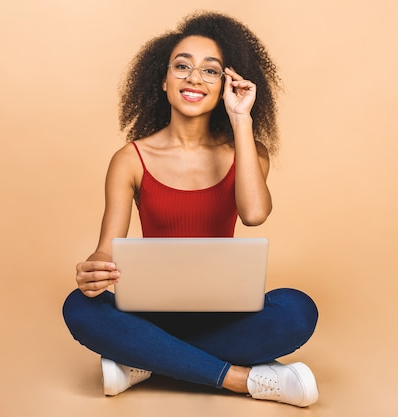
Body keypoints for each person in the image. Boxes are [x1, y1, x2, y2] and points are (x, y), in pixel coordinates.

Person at [62, 11, 319, 407]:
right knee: (80, 306)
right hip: (151, 315)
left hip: (224, 314)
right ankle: (242, 379)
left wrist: (241, 120)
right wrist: (94, 268)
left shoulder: (247, 152)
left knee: (298, 310)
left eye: (210, 71)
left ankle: (145, 361)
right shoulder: (130, 159)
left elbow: (253, 214)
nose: (194, 78)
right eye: (182, 66)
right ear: (163, 80)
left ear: (226, 84)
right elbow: (107, 249)